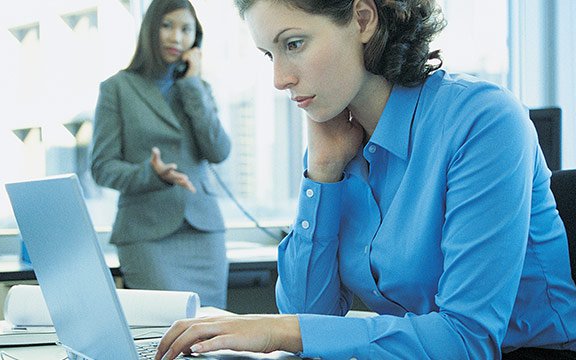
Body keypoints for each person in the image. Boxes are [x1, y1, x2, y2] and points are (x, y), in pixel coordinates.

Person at [154, 0, 576, 359]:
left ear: (362, 19)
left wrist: (277, 330)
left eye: (294, 44)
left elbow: (468, 340)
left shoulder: (483, 122)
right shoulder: (337, 145)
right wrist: (321, 174)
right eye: (269, 54)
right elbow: (307, 312)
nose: (280, 78)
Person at [90, 0, 231, 309]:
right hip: (146, 234)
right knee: (165, 333)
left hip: (204, 233)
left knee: (211, 335)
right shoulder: (117, 88)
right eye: (167, 26)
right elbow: (102, 167)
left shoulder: (198, 88)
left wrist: (192, 85)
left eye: (186, 29)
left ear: (196, 38)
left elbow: (219, 151)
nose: (176, 38)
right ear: (150, 29)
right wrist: (151, 174)